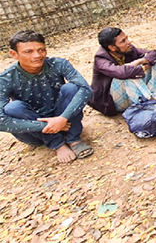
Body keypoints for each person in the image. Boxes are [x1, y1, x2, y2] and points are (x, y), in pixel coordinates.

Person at [0, 31, 93, 163]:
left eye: (41, 50)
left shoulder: (59, 64)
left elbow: (86, 89)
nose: (37, 55)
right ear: (14, 54)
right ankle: (58, 144)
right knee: (13, 107)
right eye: (28, 52)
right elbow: (1, 121)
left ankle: (73, 139)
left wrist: (62, 118)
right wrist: (46, 125)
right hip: (34, 132)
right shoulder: (6, 78)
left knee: (71, 88)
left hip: (65, 122)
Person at [90, 28, 156, 116]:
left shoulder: (127, 48)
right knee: (129, 73)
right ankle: (155, 106)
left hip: (129, 93)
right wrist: (141, 67)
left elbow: (155, 54)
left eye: (126, 38)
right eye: (123, 41)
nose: (129, 42)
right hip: (111, 102)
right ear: (112, 48)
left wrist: (141, 61)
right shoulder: (100, 59)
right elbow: (122, 73)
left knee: (152, 61)